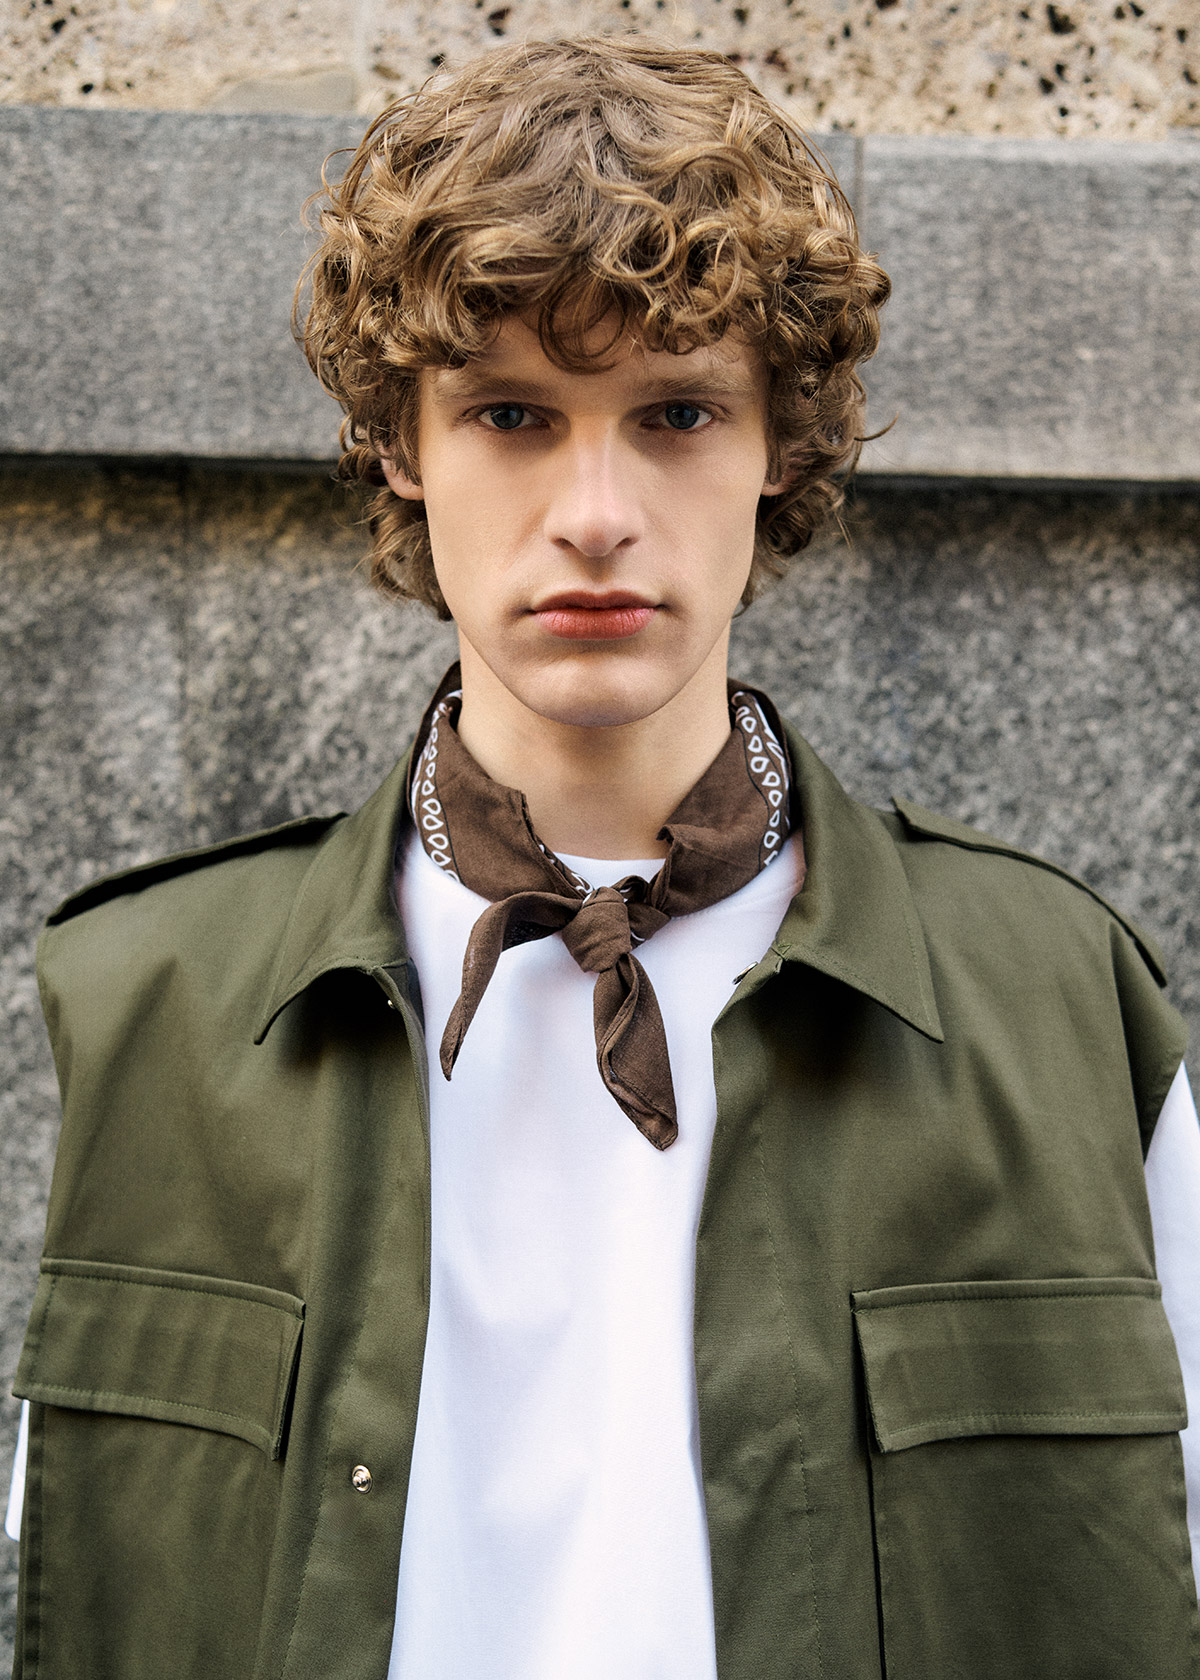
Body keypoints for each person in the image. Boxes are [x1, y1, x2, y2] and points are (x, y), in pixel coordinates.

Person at [7, 34, 1200, 1680]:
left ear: (778, 440)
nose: (593, 510)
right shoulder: (148, 1007)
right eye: (510, 412)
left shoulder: (1063, 1007)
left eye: (674, 412)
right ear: (401, 447)